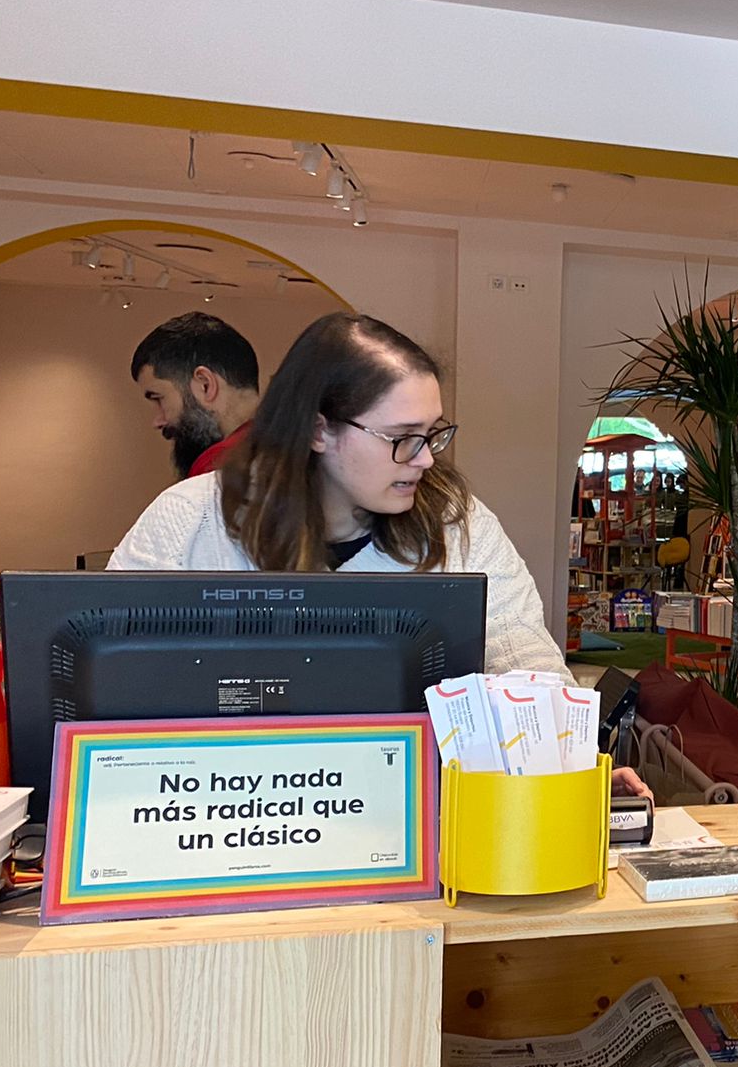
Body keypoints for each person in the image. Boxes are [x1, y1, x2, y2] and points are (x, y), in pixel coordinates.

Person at [109, 312, 648, 794]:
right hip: (227, 810)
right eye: (401, 437)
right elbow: (113, 681)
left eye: (430, 434)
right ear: (319, 429)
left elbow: (520, 657)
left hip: (414, 819)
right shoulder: (188, 522)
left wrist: (568, 764)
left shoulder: (456, 523)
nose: (425, 461)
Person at [130, 313, 263, 479]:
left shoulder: (219, 475)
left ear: (205, 385)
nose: (157, 421)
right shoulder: (294, 453)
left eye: (159, 398)